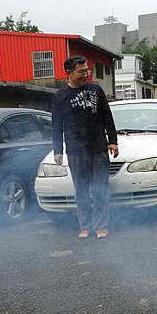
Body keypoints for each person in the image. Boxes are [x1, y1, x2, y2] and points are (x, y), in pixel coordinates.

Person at [52, 56, 119, 239]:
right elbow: (56, 124)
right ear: (69, 72)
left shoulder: (95, 90)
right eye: (81, 71)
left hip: (98, 148)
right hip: (75, 150)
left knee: (100, 190)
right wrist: (57, 150)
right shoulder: (60, 96)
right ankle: (85, 226)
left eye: (86, 70)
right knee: (81, 190)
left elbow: (107, 116)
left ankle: (101, 226)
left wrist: (112, 140)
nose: (86, 74)